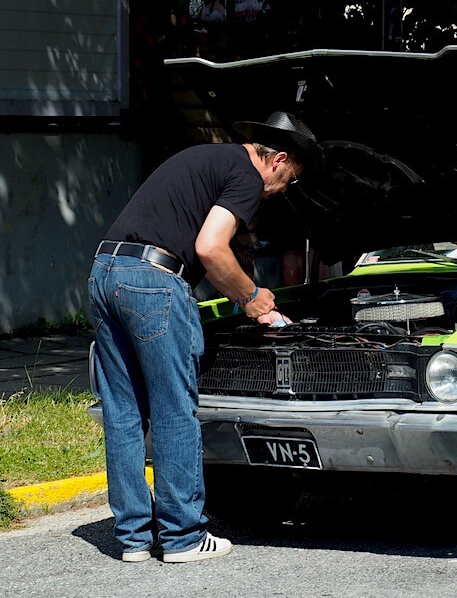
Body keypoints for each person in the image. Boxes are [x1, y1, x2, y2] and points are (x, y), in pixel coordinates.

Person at [87, 111, 321, 563]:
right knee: (174, 407)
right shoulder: (249, 178)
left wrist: (239, 284)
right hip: (152, 281)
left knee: (124, 411)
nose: (283, 191)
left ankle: (134, 538)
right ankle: (182, 537)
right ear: (279, 160)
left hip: (104, 271)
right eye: (290, 181)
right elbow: (209, 247)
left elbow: (205, 243)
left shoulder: (210, 158)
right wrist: (252, 298)